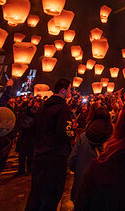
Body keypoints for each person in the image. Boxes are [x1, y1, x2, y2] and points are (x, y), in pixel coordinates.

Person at [25, 78, 76, 211]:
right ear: (63, 90)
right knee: (52, 195)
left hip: (39, 155)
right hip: (55, 157)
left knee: (36, 193)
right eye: (69, 90)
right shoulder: (62, 108)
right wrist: (72, 133)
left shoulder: (43, 107)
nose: (70, 93)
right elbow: (63, 133)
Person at [69, 103, 113, 202]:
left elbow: (72, 159)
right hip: (106, 189)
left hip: (83, 185)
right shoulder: (114, 139)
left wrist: (79, 171)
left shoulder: (83, 136)